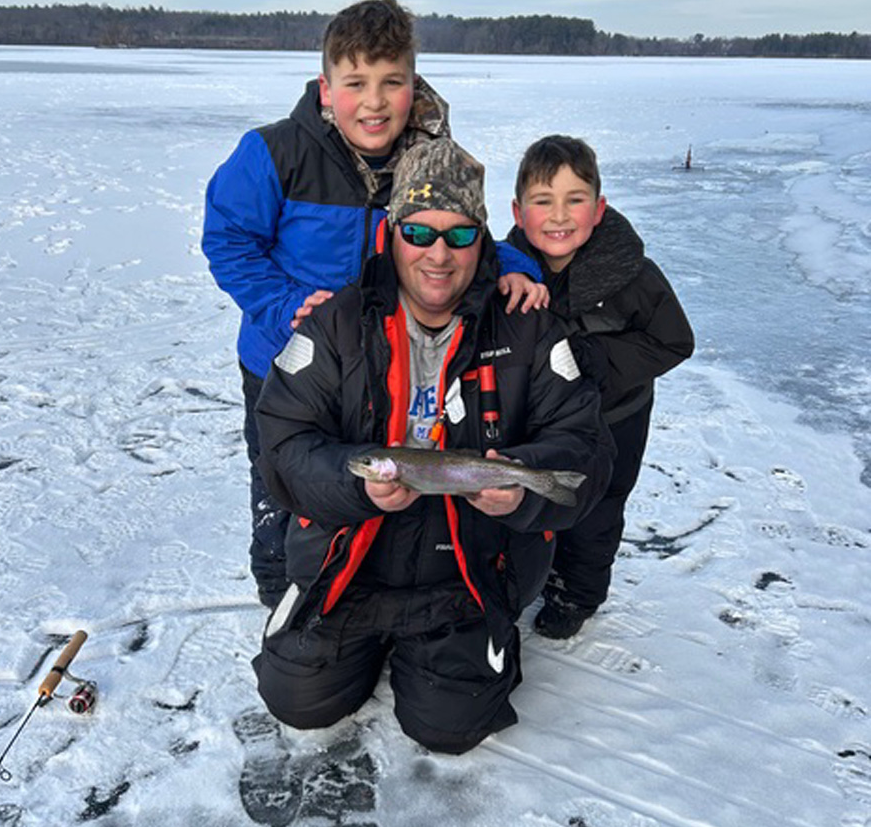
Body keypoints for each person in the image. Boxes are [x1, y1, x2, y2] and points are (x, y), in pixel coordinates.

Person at [251, 138, 615, 754]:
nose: (438, 255)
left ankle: (470, 645)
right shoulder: (336, 324)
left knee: (451, 727)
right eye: (418, 233)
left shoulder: (527, 326)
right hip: (351, 562)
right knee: (297, 700)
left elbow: (587, 450)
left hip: (467, 574)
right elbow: (283, 445)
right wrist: (353, 482)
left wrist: (523, 489)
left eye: (460, 235)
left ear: (485, 240)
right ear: (391, 235)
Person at [202, 0, 546, 608]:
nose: (375, 101)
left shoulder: (427, 159)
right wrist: (283, 307)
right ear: (325, 87)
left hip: (376, 366)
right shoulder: (275, 152)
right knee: (284, 473)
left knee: (361, 477)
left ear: (415, 85)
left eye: (393, 83)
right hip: (283, 359)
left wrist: (515, 265)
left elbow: (461, 229)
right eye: (355, 83)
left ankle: (359, 582)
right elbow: (228, 240)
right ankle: (279, 585)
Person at [507, 134, 695, 639]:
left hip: (615, 419)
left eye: (575, 200)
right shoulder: (507, 269)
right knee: (534, 497)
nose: (559, 217)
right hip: (540, 419)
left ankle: (577, 593)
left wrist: (593, 358)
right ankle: (530, 570)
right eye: (543, 202)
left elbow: (674, 341)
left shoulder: (633, 275)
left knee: (597, 510)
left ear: (599, 207)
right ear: (518, 210)